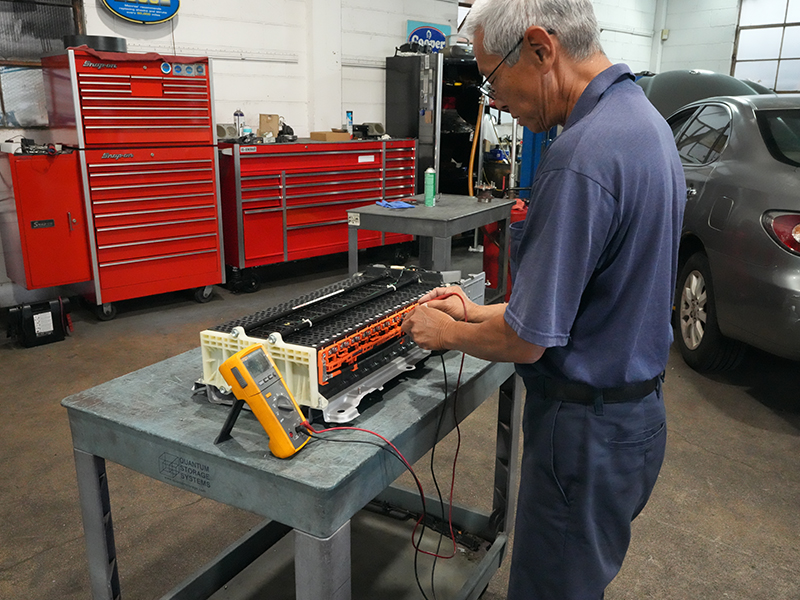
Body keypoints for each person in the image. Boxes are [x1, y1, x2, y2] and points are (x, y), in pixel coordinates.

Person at [400, 0, 686, 597]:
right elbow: (589, 301)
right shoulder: (645, 125)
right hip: (632, 423)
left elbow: (529, 342)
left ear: (540, 48)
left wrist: (443, 332)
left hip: (583, 434)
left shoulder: (582, 156)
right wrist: (477, 312)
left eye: (493, 77)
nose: (496, 100)